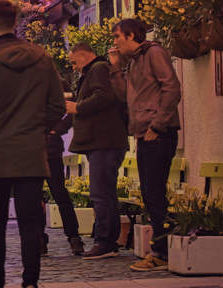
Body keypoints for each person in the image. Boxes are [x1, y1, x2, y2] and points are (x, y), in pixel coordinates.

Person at [0, 0, 65, 288]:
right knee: (30, 221)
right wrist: (37, 128)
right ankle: (30, 280)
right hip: (31, 152)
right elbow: (57, 105)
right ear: (15, 21)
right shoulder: (41, 58)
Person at [112, 17, 181, 272]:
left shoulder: (154, 53)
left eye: (118, 37)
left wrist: (157, 125)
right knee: (150, 194)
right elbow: (124, 97)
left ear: (131, 36)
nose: (115, 42)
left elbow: (172, 88)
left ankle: (161, 252)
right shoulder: (134, 62)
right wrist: (116, 68)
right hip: (144, 133)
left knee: (154, 193)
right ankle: (160, 249)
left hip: (157, 133)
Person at [67, 41, 129, 260]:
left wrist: (78, 107)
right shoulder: (97, 69)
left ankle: (105, 241)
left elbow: (104, 96)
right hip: (104, 141)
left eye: (74, 62)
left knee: (101, 193)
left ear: (84, 55)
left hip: (105, 141)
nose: (73, 67)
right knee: (104, 193)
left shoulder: (98, 69)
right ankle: (107, 240)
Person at [44, 111, 84, 256]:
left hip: (50, 148)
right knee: (33, 197)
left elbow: (71, 107)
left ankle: (73, 236)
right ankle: (38, 239)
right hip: (29, 149)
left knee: (60, 194)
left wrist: (56, 130)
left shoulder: (54, 88)